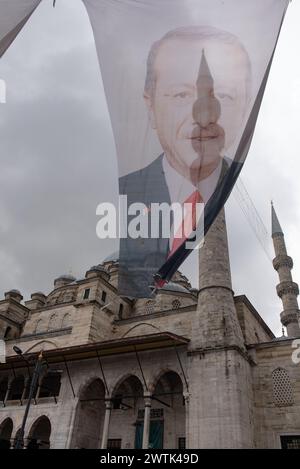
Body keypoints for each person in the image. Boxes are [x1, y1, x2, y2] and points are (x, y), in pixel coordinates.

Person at [118, 25, 252, 297]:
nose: (204, 116)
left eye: (223, 96)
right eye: (181, 95)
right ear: (151, 107)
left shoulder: (221, 182)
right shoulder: (136, 189)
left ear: (245, 109)